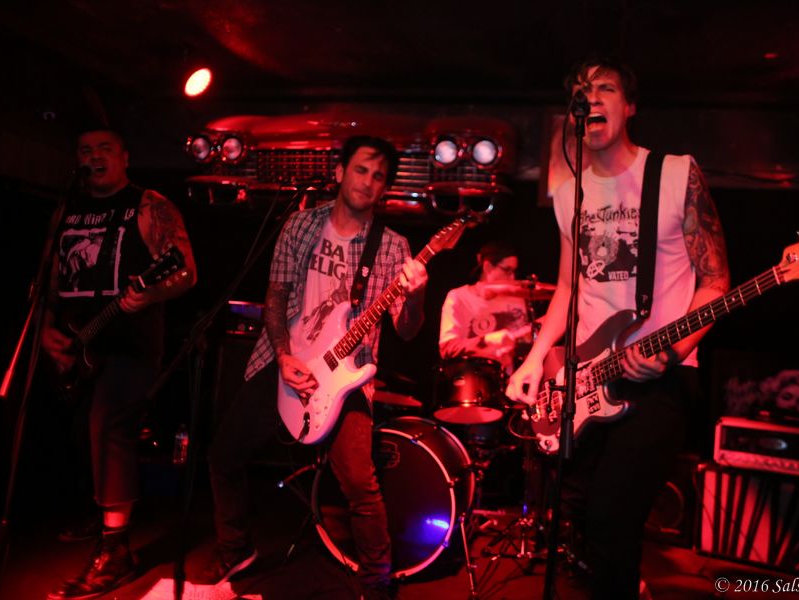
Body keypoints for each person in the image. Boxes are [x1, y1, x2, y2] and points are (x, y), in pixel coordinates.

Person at [506, 55, 730, 600]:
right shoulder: (569, 194)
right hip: (587, 376)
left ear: (629, 106)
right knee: (579, 513)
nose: (592, 97)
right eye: (582, 91)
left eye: (604, 88)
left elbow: (716, 281)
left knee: (611, 516)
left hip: (661, 377)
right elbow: (568, 287)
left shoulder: (674, 174)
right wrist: (534, 360)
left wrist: (672, 350)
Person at [197, 136, 427, 600]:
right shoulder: (300, 225)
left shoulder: (393, 247)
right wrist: (284, 356)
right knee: (223, 455)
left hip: (346, 375)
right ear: (339, 172)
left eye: (379, 176)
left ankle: (377, 582)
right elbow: (276, 297)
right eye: (361, 170)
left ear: (385, 188)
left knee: (359, 482)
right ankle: (236, 548)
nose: (368, 182)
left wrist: (417, 293)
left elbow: (406, 330)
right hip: (284, 360)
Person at [41, 127, 198, 599]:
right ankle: (103, 513)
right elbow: (51, 279)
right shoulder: (67, 208)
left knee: (109, 425)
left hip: (131, 344)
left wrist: (149, 292)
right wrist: (47, 327)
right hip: (79, 345)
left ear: (125, 157)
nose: (94, 156)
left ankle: (116, 551)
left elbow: (186, 271)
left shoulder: (147, 205)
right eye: (85, 150)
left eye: (104, 148)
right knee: (83, 431)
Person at [438, 240, 532, 373]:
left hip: (510, 378)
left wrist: (520, 338)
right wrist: (487, 340)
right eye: (507, 270)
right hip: (472, 377)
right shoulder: (458, 297)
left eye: (514, 271)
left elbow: (527, 343)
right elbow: (448, 348)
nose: (512, 277)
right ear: (487, 267)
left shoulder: (517, 299)